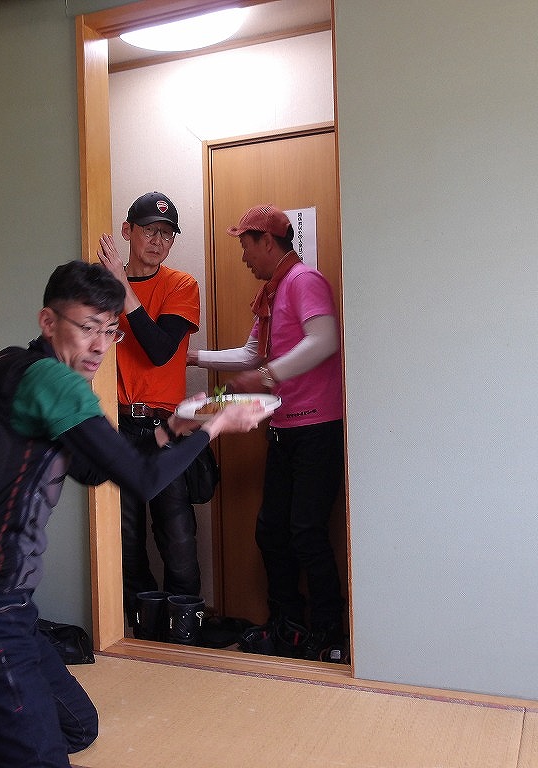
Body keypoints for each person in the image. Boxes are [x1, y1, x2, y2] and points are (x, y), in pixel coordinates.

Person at [0, 259, 266, 768]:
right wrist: (215, 426)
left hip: (6, 605)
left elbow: (93, 467)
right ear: (48, 321)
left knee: (76, 726)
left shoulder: (18, 370)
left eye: (110, 331)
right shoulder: (50, 380)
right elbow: (144, 479)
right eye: (88, 328)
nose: (100, 346)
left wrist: (174, 428)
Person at [188, 204, 347, 662]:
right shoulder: (272, 293)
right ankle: (288, 627)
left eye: (246, 245)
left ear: (267, 242)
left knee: (307, 533)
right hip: (282, 430)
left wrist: (267, 376)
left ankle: (330, 636)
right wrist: (192, 358)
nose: (243, 257)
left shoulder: (303, 280)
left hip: (317, 429)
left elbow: (325, 340)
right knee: (271, 531)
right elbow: (251, 354)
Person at [96, 191, 203, 621]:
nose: (158, 241)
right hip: (117, 426)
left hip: (166, 428)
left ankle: (186, 636)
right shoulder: (101, 289)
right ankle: (141, 635)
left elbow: (159, 351)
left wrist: (122, 289)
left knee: (178, 537)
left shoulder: (181, 285)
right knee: (125, 540)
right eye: (148, 231)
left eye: (166, 234)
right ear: (128, 232)